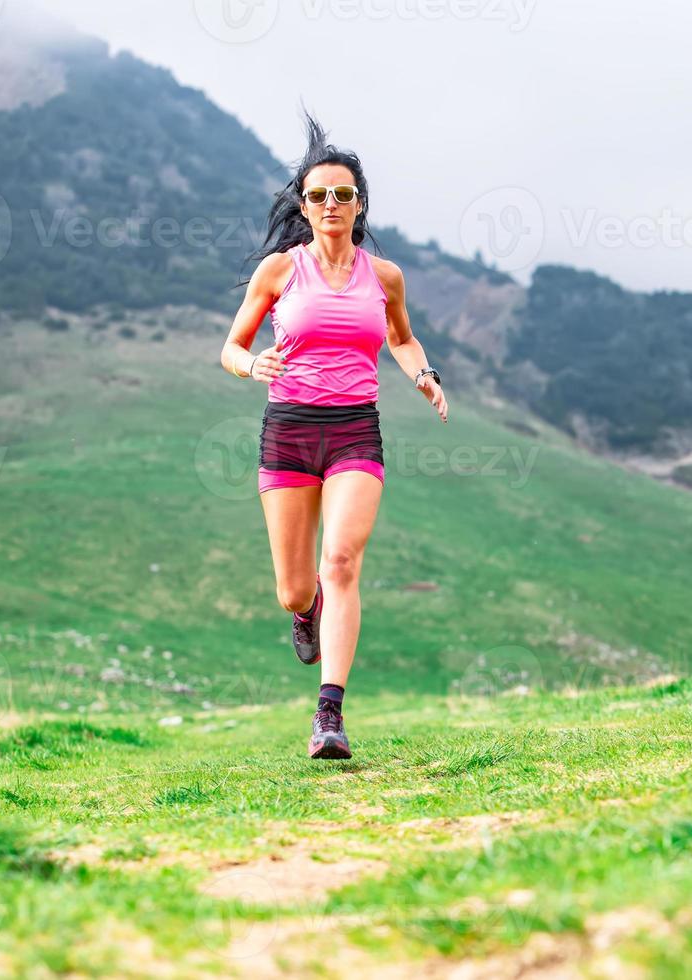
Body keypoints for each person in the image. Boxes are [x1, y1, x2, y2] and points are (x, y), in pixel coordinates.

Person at [220, 112, 448, 759]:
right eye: (318, 194)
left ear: (359, 204)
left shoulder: (386, 277)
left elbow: (401, 338)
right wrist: (250, 364)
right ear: (304, 203)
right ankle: (304, 610)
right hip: (289, 431)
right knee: (296, 587)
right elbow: (232, 347)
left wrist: (424, 374)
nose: (330, 204)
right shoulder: (279, 271)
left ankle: (329, 716)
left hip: (354, 432)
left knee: (341, 562)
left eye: (342, 194)